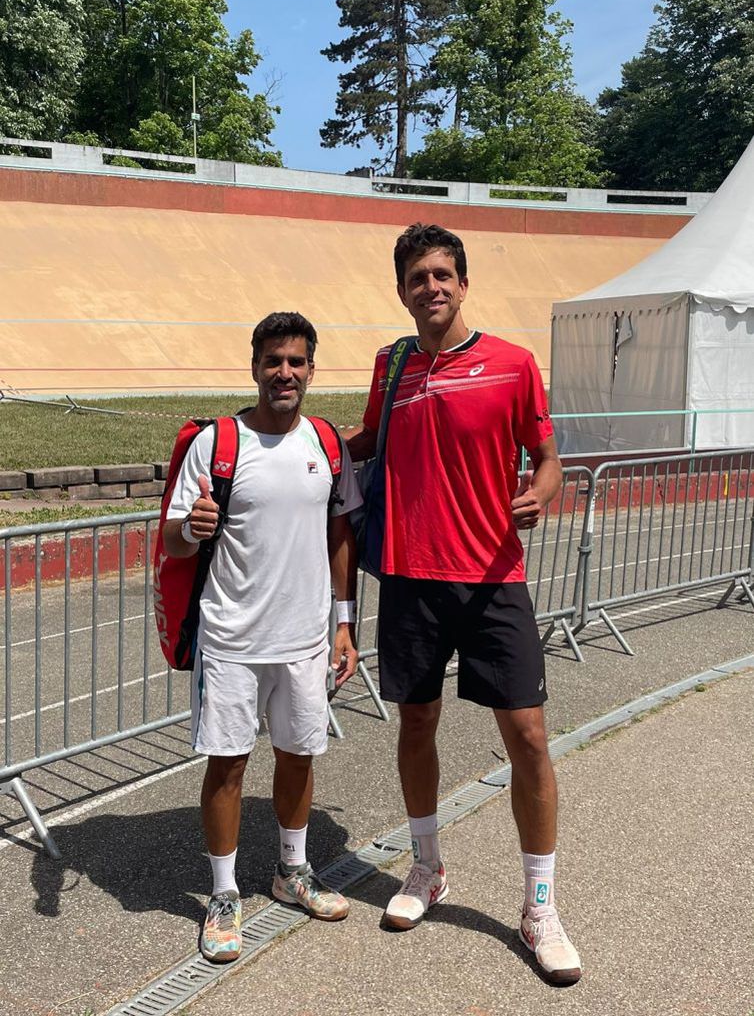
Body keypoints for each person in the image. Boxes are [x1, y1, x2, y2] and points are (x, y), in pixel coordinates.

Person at [345, 224, 581, 985]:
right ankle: (426, 867)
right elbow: (366, 441)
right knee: (417, 722)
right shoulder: (392, 364)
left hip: (492, 578)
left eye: (443, 273)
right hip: (411, 579)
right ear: (403, 289)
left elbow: (548, 461)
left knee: (531, 738)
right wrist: (283, 438)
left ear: (463, 282)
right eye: (418, 276)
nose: (432, 286)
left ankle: (539, 905)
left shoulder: (513, 364)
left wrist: (539, 495)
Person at [163, 311, 361, 963]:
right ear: (254, 366)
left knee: (299, 756)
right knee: (228, 763)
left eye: (297, 361)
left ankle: (290, 871)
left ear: (311, 369)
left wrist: (344, 622)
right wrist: (191, 526)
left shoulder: (325, 442)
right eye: (274, 360)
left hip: (305, 638)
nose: (285, 372)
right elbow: (169, 537)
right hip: (232, 638)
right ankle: (223, 894)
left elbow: (340, 536)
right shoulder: (218, 443)